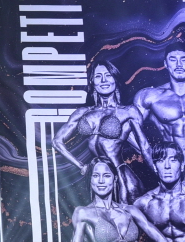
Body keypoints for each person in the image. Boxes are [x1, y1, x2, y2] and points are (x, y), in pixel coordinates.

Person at [53, 60, 150, 202]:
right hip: (95, 174)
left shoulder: (128, 111)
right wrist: (81, 165)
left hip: (120, 175)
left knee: (126, 213)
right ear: (92, 81)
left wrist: (158, 171)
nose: (104, 80)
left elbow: (143, 147)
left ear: (115, 79)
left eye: (108, 75)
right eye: (98, 76)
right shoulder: (83, 112)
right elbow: (57, 141)